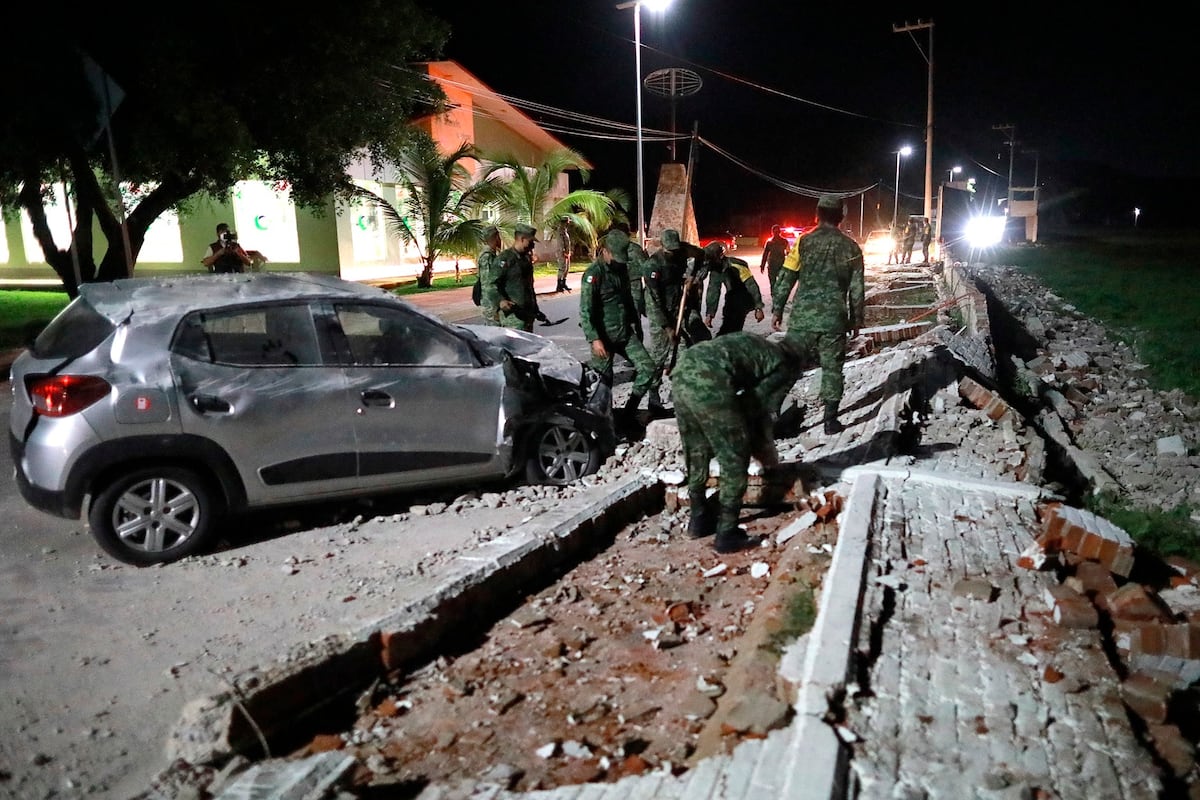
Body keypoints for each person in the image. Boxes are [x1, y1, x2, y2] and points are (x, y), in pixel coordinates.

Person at [671, 332, 805, 553]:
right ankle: (727, 533)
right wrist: (761, 450)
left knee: (695, 448)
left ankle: (698, 519)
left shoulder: (758, 344)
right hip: (710, 380)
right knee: (734, 457)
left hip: (683, 372)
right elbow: (755, 408)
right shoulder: (782, 366)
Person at [771, 194, 865, 435]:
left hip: (803, 319)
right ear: (841, 217)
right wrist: (857, 320)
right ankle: (830, 422)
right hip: (834, 320)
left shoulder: (803, 242)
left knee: (789, 365)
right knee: (833, 369)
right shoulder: (852, 247)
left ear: (817, 214)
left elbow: (786, 276)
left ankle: (771, 415)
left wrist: (777, 309)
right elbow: (857, 288)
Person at [579, 229, 661, 418]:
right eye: (615, 257)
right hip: (604, 337)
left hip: (625, 333)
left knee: (648, 369)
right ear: (605, 251)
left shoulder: (621, 269)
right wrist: (594, 339)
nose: (618, 261)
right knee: (603, 384)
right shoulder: (593, 275)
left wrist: (634, 321)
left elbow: (627, 299)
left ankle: (629, 411)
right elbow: (585, 310)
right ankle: (604, 421)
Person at [644, 229, 711, 378]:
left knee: (684, 347)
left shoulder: (684, 250)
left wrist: (694, 278)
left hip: (679, 305)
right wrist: (667, 328)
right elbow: (653, 302)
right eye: (670, 251)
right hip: (661, 313)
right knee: (659, 356)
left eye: (676, 249)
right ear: (662, 246)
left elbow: (704, 258)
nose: (673, 254)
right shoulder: (652, 265)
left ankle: (680, 383)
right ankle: (653, 391)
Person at [702, 241, 765, 336]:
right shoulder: (715, 269)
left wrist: (758, 308)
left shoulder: (736, 266)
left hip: (744, 298)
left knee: (732, 327)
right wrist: (710, 314)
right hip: (731, 300)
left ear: (721, 256)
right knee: (729, 326)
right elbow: (713, 291)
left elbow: (751, 285)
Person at [494, 223, 540, 332]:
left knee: (528, 347)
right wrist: (501, 301)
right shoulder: (505, 258)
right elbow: (492, 284)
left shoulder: (526, 259)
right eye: (530, 241)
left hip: (527, 315)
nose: (532, 245)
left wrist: (535, 308)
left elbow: (529, 287)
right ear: (522, 239)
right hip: (513, 317)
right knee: (514, 348)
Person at [474, 225, 503, 325]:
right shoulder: (487, 256)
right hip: (491, 303)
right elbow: (488, 283)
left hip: (492, 302)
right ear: (496, 237)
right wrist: (499, 301)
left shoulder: (492, 254)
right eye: (499, 236)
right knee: (495, 334)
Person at [759, 224, 790, 289]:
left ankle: (774, 296)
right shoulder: (785, 241)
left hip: (772, 265)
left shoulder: (769, 242)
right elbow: (789, 254)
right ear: (780, 232)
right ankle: (777, 296)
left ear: (772, 232)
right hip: (780, 265)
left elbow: (765, 255)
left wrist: (762, 265)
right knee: (780, 283)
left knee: (773, 283)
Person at [554, 223, 572, 293]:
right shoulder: (560, 231)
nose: (568, 223)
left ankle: (563, 283)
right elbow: (561, 243)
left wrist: (569, 251)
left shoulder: (565, 230)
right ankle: (559, 285)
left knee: (567, 268)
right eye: (567, 222)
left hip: (566, 253)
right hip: (562, 253)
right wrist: (564, 251)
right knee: (562, 268)